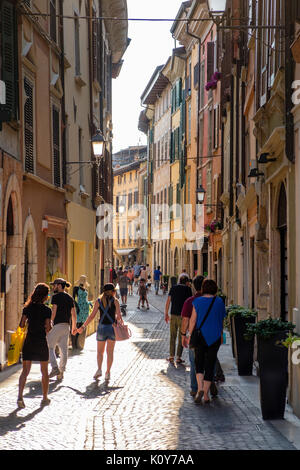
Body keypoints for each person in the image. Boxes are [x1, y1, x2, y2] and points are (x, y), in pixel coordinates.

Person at [187, 279, 227, 404]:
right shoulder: (219, 302)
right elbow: (221, 321)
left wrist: (189, 335)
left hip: (200, 336)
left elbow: (193, 320)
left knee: (199, 363)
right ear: (215, 289)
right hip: (214, 337)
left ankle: (200, 389)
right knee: (210, 365)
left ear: (203, 288)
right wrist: (220, 335)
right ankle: (205, 395)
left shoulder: (197, 301)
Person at [77, 283, 123, 381]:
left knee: (99, 352)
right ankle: (108, 372)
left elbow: (92, 316)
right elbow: (119, 317)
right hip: (112, 328)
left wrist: (83, 326)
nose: (115, 292)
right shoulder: (115, 301)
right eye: (114, 291)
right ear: (112, 292)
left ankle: (99, 370)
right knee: (110, 352)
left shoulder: (98, 301)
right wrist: (117, 320)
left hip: (101, 328)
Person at [17, 283, 52, 409]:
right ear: (45, 296)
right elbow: (48, 328)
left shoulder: (27, 308)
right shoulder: (47, 310)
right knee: (44, 372)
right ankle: (44, 397)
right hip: (41, 342)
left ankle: (20, 397)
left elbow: (21, 325)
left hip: (29, 341)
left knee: (25, 371)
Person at [47, 278, 77, 381]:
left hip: (57, 325)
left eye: (54, 285)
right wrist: (73, 327)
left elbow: (54, 311)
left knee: (50, 347)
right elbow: (73, 314)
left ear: (59, 285)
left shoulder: (55, 297)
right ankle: (61, 372)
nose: (53, 287)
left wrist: (50, 322)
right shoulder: (69, 298)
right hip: (66, 326)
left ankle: (55, 368)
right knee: (63, 350)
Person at [181, 275, 204, 397]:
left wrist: (183, 335)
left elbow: (185, 320)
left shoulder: (190, 301)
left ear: (194, 287)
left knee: (194, 362)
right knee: (209, 360)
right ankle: (209, 383)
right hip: (209, 335)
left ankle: (195, 388)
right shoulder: (213, 300)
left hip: (195, 335)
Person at [164, 276, 193, 364]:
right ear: (186, 282)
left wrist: (166, 313)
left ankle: (171, 356)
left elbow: (168, 301)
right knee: (182, 336)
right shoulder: (188, 290)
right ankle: (178, 357)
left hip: (173, 315)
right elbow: (190, 304)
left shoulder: (173, 288)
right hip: (183, 317)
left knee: (172, 336)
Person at [72, 275, 91, 349]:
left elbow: (85, 299)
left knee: (82, 325)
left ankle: (79, 343)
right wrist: (76, 306)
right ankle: (75, 343)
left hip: (85, 308)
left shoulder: (85, 289)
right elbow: (73, 299)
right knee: (77, 324)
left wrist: (89, 303)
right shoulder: (76, 288)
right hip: (79, 307)